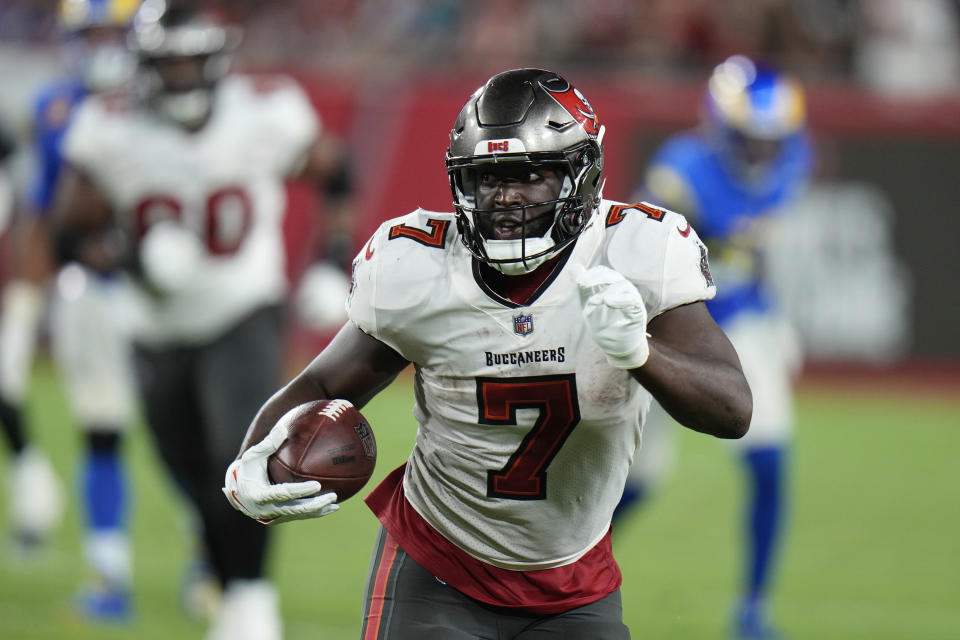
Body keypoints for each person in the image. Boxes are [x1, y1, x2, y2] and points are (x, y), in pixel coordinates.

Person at [223, 67, 751, 639]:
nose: (506, 198)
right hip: (437, 564)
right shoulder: (418, 269)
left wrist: (641, 353)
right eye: (488, 178)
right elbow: (324, 387)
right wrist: (249, 461)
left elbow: (732, 410)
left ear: (584, 175)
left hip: (575, 581)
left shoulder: (638, 252)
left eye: (532, 177)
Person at [50, 1, 356, 638]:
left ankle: (250, 603)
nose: (183, 74)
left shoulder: (264, 111)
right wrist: (130, 255)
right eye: (169, 62)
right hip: (156, 327)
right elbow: (68, 235)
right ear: (145, 65)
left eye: (193, 60)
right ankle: (223, 576)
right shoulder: (110, 127)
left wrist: (331, 261)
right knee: (189, 467)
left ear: (217, 60)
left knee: (237, 447)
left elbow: (335, 171)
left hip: (244, 305)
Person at [616, 55, 813, 640]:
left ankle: (754, 607)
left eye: (769, 140)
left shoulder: (792, 161)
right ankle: (560, 572)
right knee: (634, 479)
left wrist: (772, 310)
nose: (760, 151)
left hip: (745, 317)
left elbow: (755, 245)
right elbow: (634, 252)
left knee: (771, 460)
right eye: (749, 138)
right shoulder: (681, 172)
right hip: (675, 325)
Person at [1, 1, 143, 601]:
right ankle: (109, 570)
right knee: (102, 425)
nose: (102, 44)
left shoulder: (160, 104)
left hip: (169, 294)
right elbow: (44, 211)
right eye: (91, 32)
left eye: (112, 30)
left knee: (190, 432)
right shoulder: (56, 106)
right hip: (91, 285)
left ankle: (210, 565)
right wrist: (27, 299)